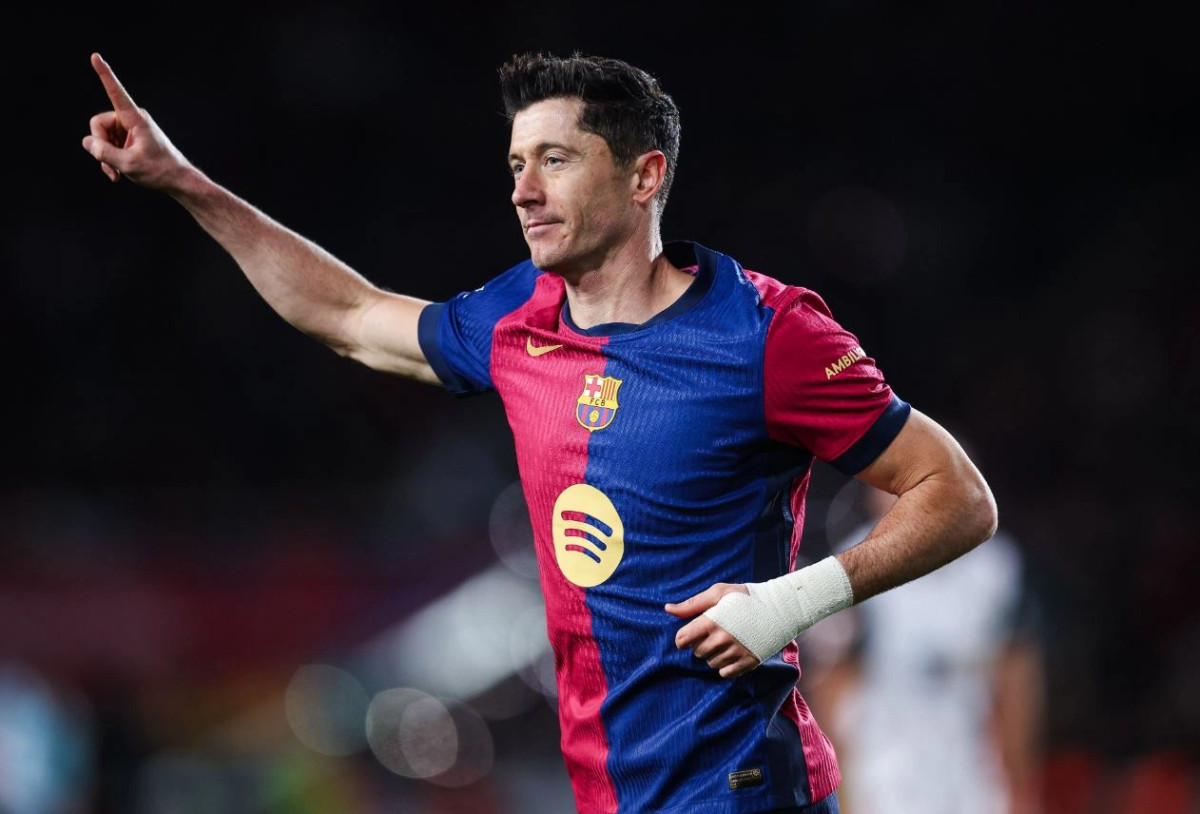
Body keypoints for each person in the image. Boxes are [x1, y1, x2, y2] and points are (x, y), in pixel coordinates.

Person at [82, 50, 998, 814]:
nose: (523, 191)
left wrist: (789, 603)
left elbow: (958, 496)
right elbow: (350, 315)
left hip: (744, 792)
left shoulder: (768, 335)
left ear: (644, 176)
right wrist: (184, 182)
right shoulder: (517, 317)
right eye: (516, 164)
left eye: (554, 160)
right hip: (604, 794)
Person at [801, 481, 1046, 814]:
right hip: (885, 781)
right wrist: (840, 799)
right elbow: (832, 691)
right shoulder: (852, 567)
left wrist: (1021, 786)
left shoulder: (994, 569)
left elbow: (1016, 682)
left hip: (973, 778)